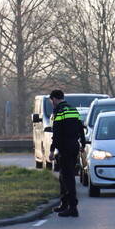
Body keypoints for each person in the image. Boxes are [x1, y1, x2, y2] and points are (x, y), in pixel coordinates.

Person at [49, 89, 85, 217]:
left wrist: (52, 150)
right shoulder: (73, 110)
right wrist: (83, 144)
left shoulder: (59, 111)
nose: (52, 103)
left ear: (53, 99)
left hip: (64, 148)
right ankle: (64, 204)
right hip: (74, 146)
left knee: (68, 177)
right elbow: (81, 127)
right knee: (63, 176)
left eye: (51, 101)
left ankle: (73, 207)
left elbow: (57, 133)